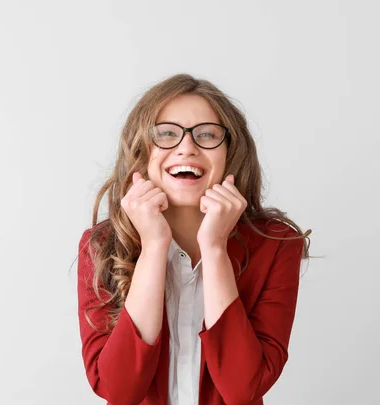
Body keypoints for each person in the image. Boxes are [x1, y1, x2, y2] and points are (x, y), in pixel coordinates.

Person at [77, 73, 312, 405]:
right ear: (142, 151)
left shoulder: (276, 244)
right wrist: (154, 247)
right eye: (167, 134)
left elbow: (241, 389)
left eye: (207, 135)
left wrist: (214, 249)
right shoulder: (101, 244)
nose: (186, 147)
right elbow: (119, 391)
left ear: (231, 152)